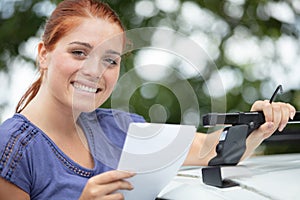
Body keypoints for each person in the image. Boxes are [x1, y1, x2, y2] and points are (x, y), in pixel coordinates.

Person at [0, 0, 296, 199]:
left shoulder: (118, 130)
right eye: (79, 52)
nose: (94, 71)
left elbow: (211, 152)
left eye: (110, 61)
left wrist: (259, 126)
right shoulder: (13, 149)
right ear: (43, 54)